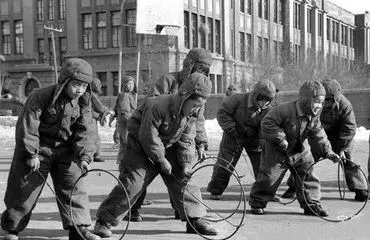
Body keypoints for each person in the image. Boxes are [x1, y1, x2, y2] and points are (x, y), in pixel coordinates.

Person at [93, 72, 219, 237]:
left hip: (168, 144)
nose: (196, 109)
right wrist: (161, 159)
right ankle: (104, 221)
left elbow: (187, 139)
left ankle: (195, 219)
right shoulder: (158, 105)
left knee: (183, 178)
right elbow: (148, 136)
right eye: (195, 104)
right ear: (185, 96)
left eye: (200, 106)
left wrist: (186, 163)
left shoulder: (192, 113)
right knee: (133, 184)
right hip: (139, 145)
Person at [1, 58, 101, 240]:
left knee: (74, 186)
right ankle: (11, 228)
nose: (80, 90)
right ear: (65, 81)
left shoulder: (84, 103)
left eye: (84, 87)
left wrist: (85, 157)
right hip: (38, 148)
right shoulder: (41, 96)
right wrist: (31, 153)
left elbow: (86, 131)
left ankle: (79, 229)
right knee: (24, 188)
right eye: (76, 85)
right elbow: (27, 125)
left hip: (66, 150)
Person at [125, 47, 213, 221]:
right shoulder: (169, 80)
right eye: (199, 68)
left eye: (205, 71)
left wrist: (201, 143)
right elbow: (152, 106)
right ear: (190, 65)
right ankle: (131, 208)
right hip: (150, 133)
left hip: (176, 138)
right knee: (138, 177)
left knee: (181, 174)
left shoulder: (200, 92)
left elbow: (197, 120)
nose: (201, 73)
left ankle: (186, 213)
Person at [249, 81, 340, 216]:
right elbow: (267, 123)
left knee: (308, 174)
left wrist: (328, 152)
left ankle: (312, 204)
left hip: (299, 150)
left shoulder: (313, 116)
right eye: (316, 101)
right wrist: (280, 138)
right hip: (277, 150)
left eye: (321, 103)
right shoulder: (283, 110)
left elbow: (319, 134)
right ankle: (257, 202)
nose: (319, 106)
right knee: (269, 178)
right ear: (305, 99)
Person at [281, 78, 368, 201]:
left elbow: (349, 128)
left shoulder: (345, 105)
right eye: (325, 99)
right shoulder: (314, 103)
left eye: (330, 99)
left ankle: (360, 189)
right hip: (318, 133)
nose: (326, 103)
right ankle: (294, 186)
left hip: (341, 136)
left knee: (348, 159)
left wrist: (342, 148)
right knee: (306, 160)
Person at [207, 80, 277, 200]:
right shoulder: (237, 99)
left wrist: (260, 138)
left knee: (262, 167)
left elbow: (268, 126)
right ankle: (215, 190)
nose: (264, 102)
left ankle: (265, 193)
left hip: (254, 139)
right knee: (225, 164)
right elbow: (223, 114)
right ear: (255, 95)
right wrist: (231, 128)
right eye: (262, 99)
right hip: (233, 137)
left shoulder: (269, 109)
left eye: (268, 100)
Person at [109, 75, 137, 167]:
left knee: (123, 145)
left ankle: (121, 164)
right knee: (127, 145)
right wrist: (134, 122)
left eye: (132, 84)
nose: (131, 86)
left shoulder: (124, 95)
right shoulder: (125, 95)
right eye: (129, 84)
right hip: (126, 124)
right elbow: (125, 112)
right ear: (124, 85)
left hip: (123, 124)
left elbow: (116, 109)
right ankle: (125, 164)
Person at [91, 77, 114, 163]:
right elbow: (100, 107)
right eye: (99, 85)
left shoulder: (92, 94)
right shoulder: (93, 95)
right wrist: (108, 111)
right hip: (91, 119)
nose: (100, 87)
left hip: (92, 118)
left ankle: (94, 154)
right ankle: (95, 155)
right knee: (95, 138)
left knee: (94, 137)